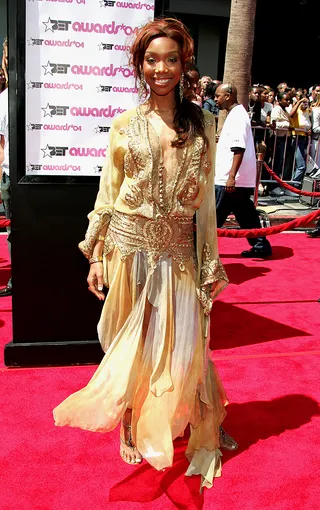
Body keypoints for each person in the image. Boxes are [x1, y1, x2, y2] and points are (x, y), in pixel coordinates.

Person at [53, 18, 237, 491]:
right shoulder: (124, 125)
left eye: (171, 59)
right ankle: (131, 418)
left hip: (177, 250)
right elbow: (108, 193)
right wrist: (95, 254)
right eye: (152, 60)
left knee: (186, 341)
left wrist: (208, 262)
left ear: (183, 64)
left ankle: (200, 414)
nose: (161, 69)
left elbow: (205, 210)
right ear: (139, 65)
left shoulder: (203, 125)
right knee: (132, 342)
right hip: (130, 250)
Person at [214, 83, 272, 258]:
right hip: (237, 179)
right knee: (246, 215)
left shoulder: (237, 116)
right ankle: (261, 246)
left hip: (229, 180)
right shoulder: (237, 114)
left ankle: (199, 250)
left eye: (218, 95)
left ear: (229, 95)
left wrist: (231, 177)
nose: (215, 99)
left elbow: (238, 148)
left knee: (212, 217)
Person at [0, 37, 11, 297]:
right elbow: (1, 145)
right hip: (10, 176)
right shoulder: (2, 101)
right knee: (12, 231)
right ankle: (16, 280)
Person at [289, 96, 311, 186]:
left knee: (302, 165)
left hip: (305, 139)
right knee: (301, 166)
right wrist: (299, 101)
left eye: (306, 103)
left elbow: (308, 124)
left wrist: (309, 130)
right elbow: (291, 115)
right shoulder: (297, 111)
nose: (304, 104)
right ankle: (293, 185)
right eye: (303, 102)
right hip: (297, 138)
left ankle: (296, 185)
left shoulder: (307, 111)